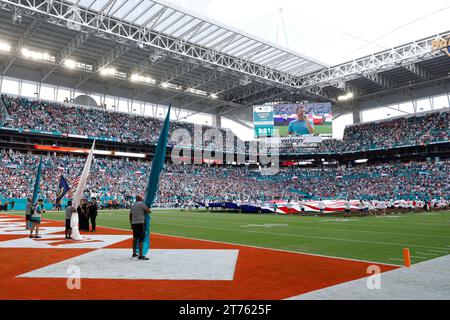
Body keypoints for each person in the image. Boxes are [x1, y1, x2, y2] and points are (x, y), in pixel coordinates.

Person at [129, 195, 151, 260]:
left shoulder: (133, 206)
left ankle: (134, 253)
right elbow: (149, 211)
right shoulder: (142, 204)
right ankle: (140, 255)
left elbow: (130, 215)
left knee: (135, 238)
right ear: (140, 199)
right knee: (141, 239)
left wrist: (131, 223)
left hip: (134, 223)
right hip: (141, 223)